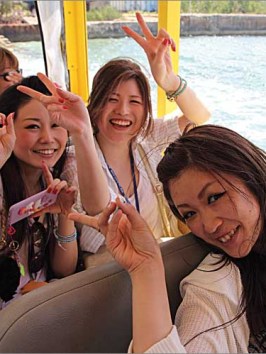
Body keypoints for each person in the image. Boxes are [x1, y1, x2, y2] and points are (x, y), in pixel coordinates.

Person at [79, 124, 265, 353]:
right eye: (190, 214)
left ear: (250, 175)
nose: (209, 225)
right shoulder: (216, 284)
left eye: (214, 197)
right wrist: (146, 269)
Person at [72, 12, 211, 261]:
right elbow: (99, 208)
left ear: (146, 109)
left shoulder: (146, 139)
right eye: (112, 99)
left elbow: (200, 120)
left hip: (159, 262)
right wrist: (80, 132)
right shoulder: (77, 155)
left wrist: (170, 82)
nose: (123, 111)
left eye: (134, 101)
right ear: (94, 106)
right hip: (109, 279)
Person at [0, 74, 100, 309]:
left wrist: (65, 213)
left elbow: (63, 270)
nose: (47, 138)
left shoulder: (63, 173)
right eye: (33, 126)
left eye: (56, 125)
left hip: (38, 308)